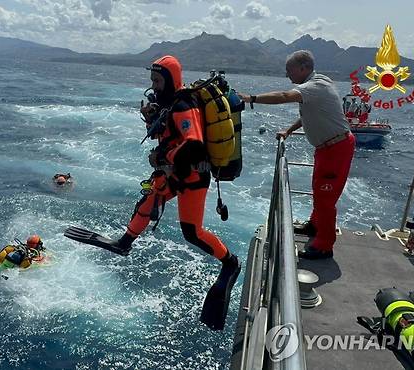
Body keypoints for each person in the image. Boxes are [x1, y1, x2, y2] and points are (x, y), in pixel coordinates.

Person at [65, 55, 240, 330]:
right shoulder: (169, 104)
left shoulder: (183, 104)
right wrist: (151, 122)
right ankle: (124, 242)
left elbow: (193, 144)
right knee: (150, 198)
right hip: (173, 172)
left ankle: (230, 263)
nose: (154, 86)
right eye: (152, 81)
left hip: (192, 176)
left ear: (171, 80)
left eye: (158, 81)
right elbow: (168, 134)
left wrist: (163, 155)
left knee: (192, 233)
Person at [238, 50, 355, 259]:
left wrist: (250, 98)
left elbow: (284, 96)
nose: (287, 75)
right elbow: (312, 114)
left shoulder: (316, 86)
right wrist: (289, 130)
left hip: (337, 148)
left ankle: (324, 245)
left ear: (303, 68)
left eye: (289, 70)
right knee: (319, 191)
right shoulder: (317, 85)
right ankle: (314, 225)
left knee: (326, 197)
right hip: (326, 148)